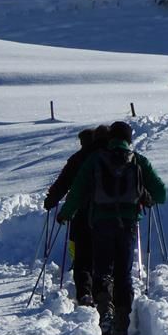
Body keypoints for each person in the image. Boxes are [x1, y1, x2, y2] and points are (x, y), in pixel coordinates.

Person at [57, 121, 166, 335]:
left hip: (100, 223)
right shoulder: (138, 160)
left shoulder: (95, 160)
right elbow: (161, 194)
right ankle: (121, 323)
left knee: (102, 270)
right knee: (123, 274)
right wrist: (145, 195)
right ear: (129, 139)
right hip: (128, 224)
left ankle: (105, 312)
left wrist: (66, 213)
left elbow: (77, 191)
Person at [44, 125, 108, 305]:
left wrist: (52, 200)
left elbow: (64, 183)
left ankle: (85, 292)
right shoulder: (112, 156)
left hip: (82, 212)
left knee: (82, 256)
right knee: (105, 254)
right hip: (110, 215)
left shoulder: (79, 158)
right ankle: (104, 291)